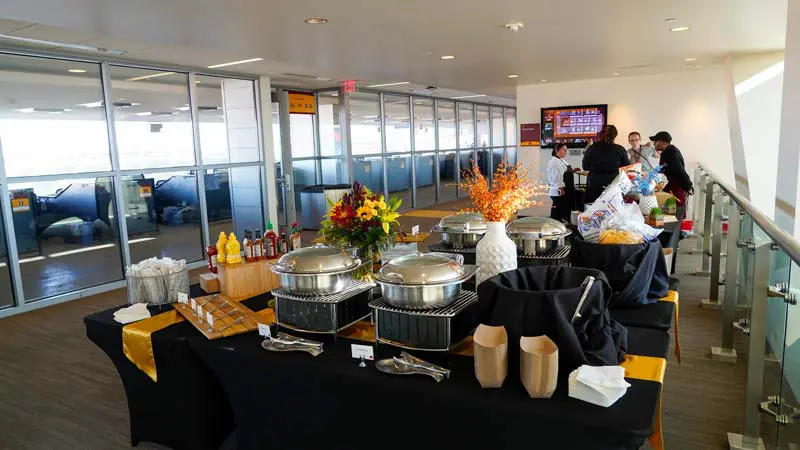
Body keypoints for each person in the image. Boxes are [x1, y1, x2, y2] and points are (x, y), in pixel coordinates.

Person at [582, 124, 629, 203]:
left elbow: (585, 167)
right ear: (615, 136)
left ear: (601, 134)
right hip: (613, 184)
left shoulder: (591, 148)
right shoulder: (620, 149)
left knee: (593, 210)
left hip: (595, 184)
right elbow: (626, 168)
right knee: (613, 210)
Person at [650, 131, 693, 207]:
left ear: (663, 142)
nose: (654, 144)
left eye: (655, 141)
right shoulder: (667, 152)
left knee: (676, 212)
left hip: (678, 187)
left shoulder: (671, 152)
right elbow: (664, 168)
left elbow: (679, 171)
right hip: (673, 185)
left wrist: (688, 186)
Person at [547, 143, 573, 221]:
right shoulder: (554, 162)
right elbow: (557, 177)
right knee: (556, 212)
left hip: (563, 189)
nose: (565, 152)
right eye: (563, 150)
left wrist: (573, 171)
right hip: (557, 191)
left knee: (560, 210)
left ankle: (558, 225)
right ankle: (554, 227)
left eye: (566, 150)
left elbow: (564, 172)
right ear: (556, 150)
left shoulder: (560, 160)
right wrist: (561, 189)